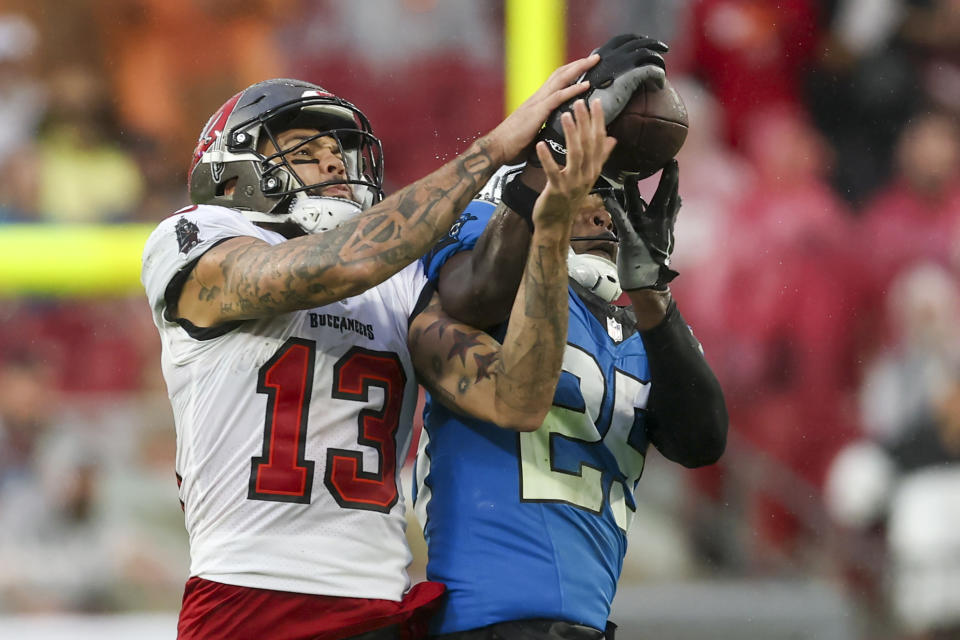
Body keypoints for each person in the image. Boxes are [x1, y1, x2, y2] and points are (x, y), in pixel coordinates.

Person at [140, 66, 617, 639]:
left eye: (339, 149)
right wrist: (492, 151)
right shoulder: (195, 235)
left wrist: (549, 234)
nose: (336, 162)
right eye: (305, 149)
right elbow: (337, 265)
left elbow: (516, 399)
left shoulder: (399, 281)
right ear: (230, 174)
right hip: (249, 598)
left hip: (379, 608)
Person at [414, 125, 728, 637]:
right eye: (588, 192)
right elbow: (477, 289)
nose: (606, 213)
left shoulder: (642, 332)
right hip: (485, 619)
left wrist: (653, 296)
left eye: (614, 199)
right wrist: (542, 214)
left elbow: (703, 442)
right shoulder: (491, 278)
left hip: (582, 625)